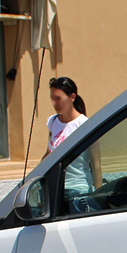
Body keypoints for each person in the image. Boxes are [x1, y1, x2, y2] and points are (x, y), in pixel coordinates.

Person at [44, 76, 102, 213]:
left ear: (72, 97)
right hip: (56, 189)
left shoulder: (85, 124)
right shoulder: (53, 122)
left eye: (58, 98)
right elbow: (48, 153)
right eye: (52, 98)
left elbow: (96, 165)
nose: (54, 103)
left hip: (78, 191)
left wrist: (100, 197)